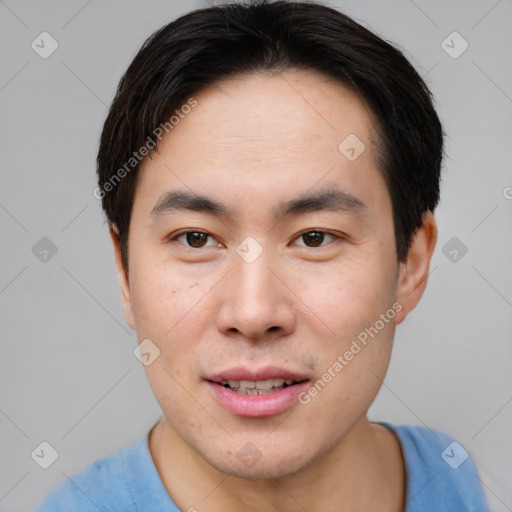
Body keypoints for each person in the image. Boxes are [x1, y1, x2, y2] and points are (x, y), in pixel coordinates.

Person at [34, 1, 490, 510]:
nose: (253, 313)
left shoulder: (450, 478)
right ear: (124, 271)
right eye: (196, 238)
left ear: (411, 264)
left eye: (314, 238)